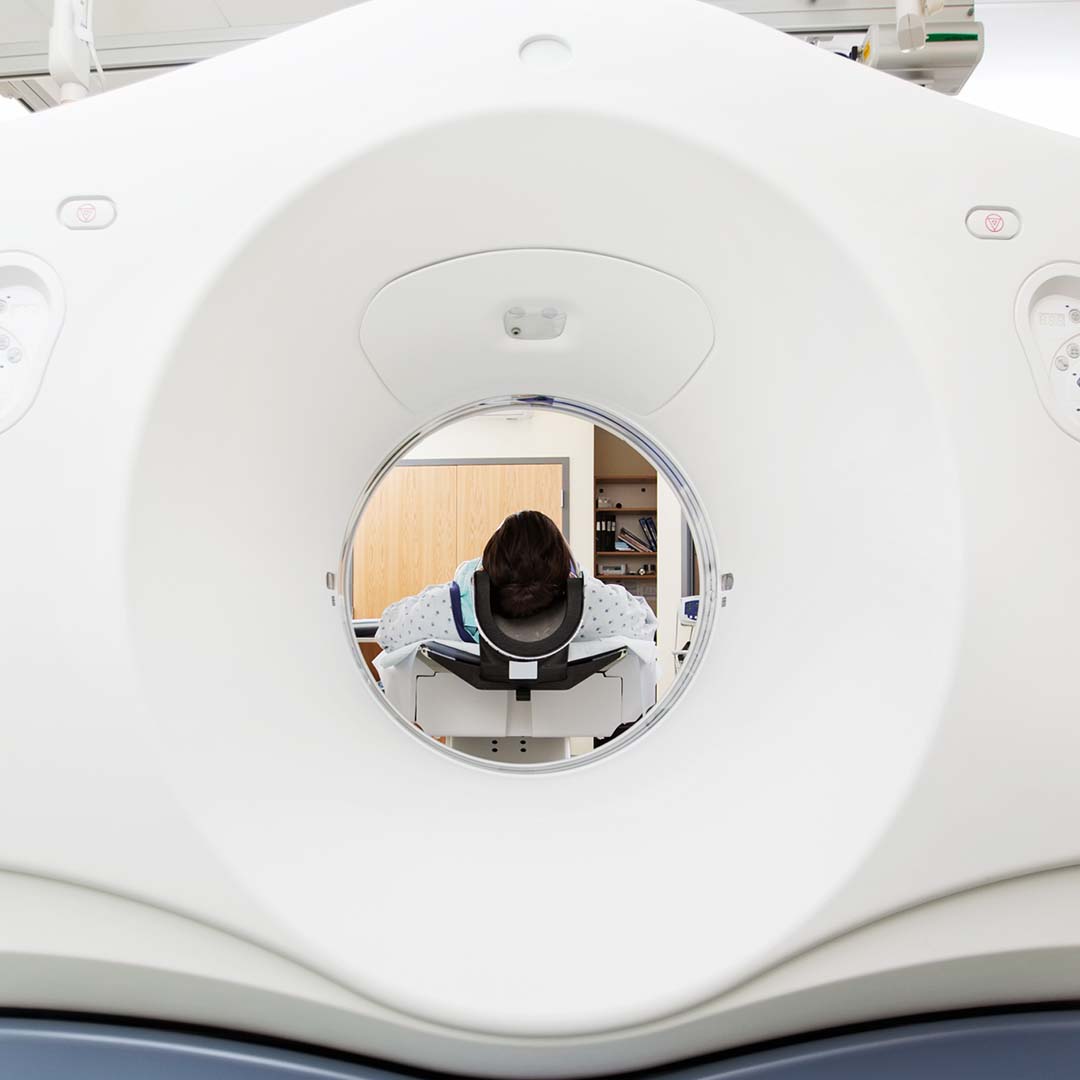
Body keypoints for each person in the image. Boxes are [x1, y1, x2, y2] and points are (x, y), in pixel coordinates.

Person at [375, 510, 656, 652]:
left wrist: (459, 583)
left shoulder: (447, 609)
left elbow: (387, 632)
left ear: (488, 567)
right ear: (563, 568)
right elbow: (645, 625)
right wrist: (585, 582)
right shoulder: (595, 605)